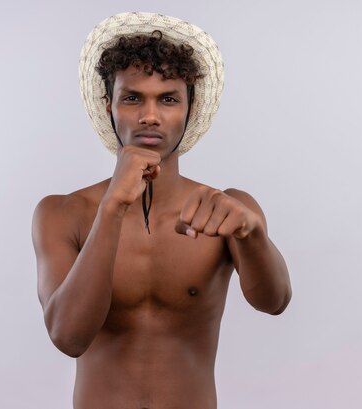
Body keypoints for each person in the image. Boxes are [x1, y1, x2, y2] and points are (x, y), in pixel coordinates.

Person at [32, 12, 292, 409]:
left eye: (168, 99)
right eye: (132, 97)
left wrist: (253, 234)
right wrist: (114, 206)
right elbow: (68, 337)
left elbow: (274, 302)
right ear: (109, 107)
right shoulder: (63, 213)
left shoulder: (225, 209)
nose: (149, 115)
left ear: (189, 109)